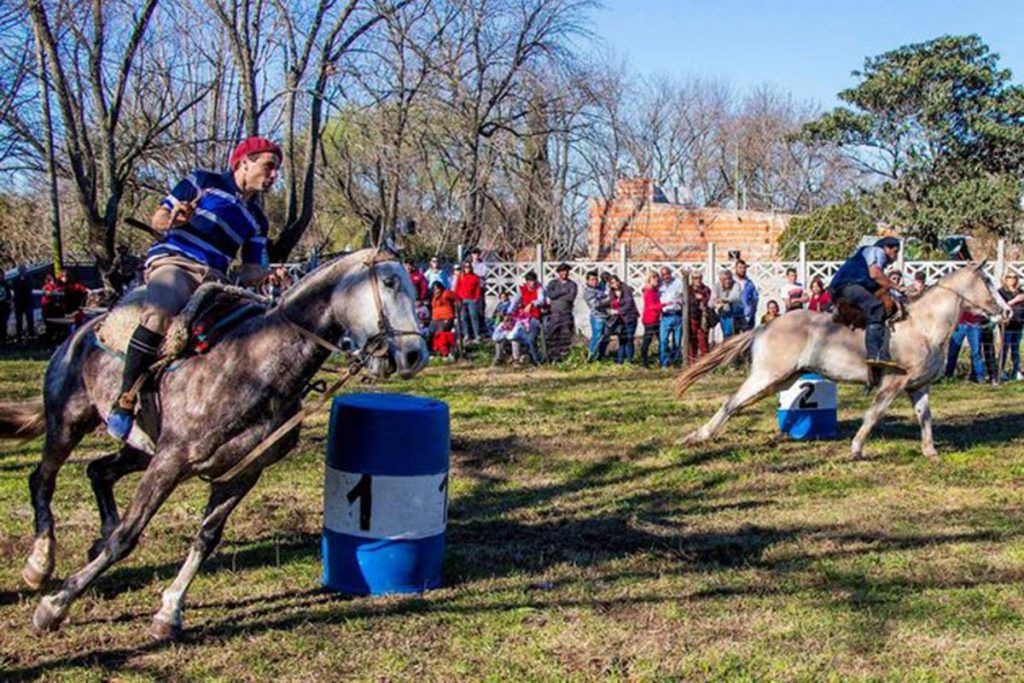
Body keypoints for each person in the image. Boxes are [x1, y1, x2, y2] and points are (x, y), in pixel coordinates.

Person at [106, 136, 281, 441]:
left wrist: (269, 273)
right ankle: (125, 400)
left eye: (277, 169)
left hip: (217, 281)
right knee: (159, 316)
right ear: (243, 162)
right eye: (269, 166)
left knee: (250, 332)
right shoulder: (203, 181)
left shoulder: (258, 220)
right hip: (176, 263)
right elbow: (158, 218)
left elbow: (249, 269)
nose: (274, 175)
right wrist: (175, 218)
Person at [828, 236, 902, 371]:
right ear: (886, 248)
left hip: (848, 286)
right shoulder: (876, 251)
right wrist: (897, 287)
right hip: (848, 286)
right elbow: (875, 274)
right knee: (876, 307)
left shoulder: (870, 257)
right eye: (895, 251)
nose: (896, 256)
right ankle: (875, 355)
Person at [545, 263, 577, 362]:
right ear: (559, 272)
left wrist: (558, 294)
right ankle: (553, 357)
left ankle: (564, 357)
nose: (565, 273)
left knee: (565, 336)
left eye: (567, 271)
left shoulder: (572, 284)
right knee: (553, 335)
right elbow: (551, 295)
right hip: (554, 314)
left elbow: (570, 298)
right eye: (562, 271)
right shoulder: (553, 283)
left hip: (566, 314)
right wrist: (563, 291)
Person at [945, 310, 987, 382]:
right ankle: (948, 375)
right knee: (953, 351)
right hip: (960, 323)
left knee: (976, 352)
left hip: (975, 324)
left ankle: (979, 376)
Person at [607, 274, 639, 364]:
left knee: (629, 339)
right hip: (620, 320)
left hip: (630, 318)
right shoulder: (612, 292)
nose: (615, 284)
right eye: (612, 283)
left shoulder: (626, 289)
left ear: (618, 281)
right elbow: (611, 304)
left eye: (616, 281)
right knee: (621, 340)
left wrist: (618, 311)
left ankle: (630, 361)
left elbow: (629, 303)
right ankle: (620, 361)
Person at [999, 273, 1024, 381]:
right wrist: (1015, 300)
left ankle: (1016, 371)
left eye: (1014, 277)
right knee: (1005, 348)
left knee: (1016, 349)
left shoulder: (1020, 292)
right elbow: (1001, 305)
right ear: (1005, 279)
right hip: (1007, 324)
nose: (1012, 279)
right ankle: (1001, 370)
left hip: (1019, 324)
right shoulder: (1001, 292)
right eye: (1009, 277)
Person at [658, 266, 684, 367]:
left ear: (670, 273)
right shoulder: (659, 285)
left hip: (677, 315)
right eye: (663, 275)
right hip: (665, 316)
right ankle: (664, 363)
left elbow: (684, 296)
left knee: (677, 342)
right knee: (663, 341)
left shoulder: (678, 283)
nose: (666, 276)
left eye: (667, 274)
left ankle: (676, 362)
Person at [583, 270, 611, 361]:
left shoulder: (600, 287)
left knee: (606, 337)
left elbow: (607, 285)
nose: (594, 281)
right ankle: (590, 357)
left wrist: (606, 278)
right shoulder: (588, 292)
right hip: (597, 317)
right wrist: (609, 300)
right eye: (592, 280)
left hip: (606, 316)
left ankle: (601, 356)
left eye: (596, 279)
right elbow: (596, 304)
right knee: (597, 336)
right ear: (587, 281)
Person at [452, 261, 483, 343]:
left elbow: (478, 289)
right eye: (465, 267)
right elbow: (457, 288)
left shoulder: (475, 277)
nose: (467, 268)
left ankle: (477, 335)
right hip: (462, 299)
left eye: (469, 267)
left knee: (474, 317)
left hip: (472, 299)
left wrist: (477, 298)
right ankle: (466, 335)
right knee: (463, 318)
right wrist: (457, 299)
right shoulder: (461, 276)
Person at [429, 281, 459, 360]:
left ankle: (445, 352)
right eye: (434, 289)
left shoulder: (446, 293)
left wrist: (458, 310)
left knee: (441, 333)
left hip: (446, 317)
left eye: (438, 288)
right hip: (435, 318)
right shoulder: (434, 296)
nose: (436, 290)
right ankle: (434, 351)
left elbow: (457, 298)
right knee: (431, 333)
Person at [688, 271, 712, 362]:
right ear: (692, 280)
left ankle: (704, 361)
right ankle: (691, 361)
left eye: (699, 278)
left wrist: (701, 299)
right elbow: (688, 301)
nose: (698, 280)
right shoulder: (688, 289)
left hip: (703, 317)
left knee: (703, 339)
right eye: (695, 278)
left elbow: (707, 299)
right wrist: (695, 298)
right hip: (692, 317)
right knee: (692, 339)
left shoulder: (706, 289)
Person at [640, 272, 661, 367]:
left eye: (657, 278)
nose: (656, 279)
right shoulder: (648, 291)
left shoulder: (656, 290)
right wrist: (666, 304)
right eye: (654, 278)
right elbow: (652, 306)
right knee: (647, 340)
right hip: (649, 319)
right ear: (649, 280)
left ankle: (661, 359)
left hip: (656, 318)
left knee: (662, 339)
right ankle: (644, 361)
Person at [713, 269, 741, 339]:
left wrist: (724, 300)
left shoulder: (736, 284)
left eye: (729, 279)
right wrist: (716, 304)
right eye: (725, 279)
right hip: (723, 313)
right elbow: (711, 301)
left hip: (736, 313)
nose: (727, 281)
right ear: (720, 280)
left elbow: (736, 296)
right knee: (727, 333)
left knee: (734, 334)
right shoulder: (716, 286)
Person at [733, 259, 759, 332]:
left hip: (747, 315)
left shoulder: (750, 283)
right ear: (736, 268)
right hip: (733, 315)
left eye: (744, 268)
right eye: (740, 268)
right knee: (733, 338)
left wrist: (752, 311)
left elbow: (755, 298)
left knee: (747, 338)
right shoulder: (731, 282)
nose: (742, 270)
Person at [469, 248, 489, 335]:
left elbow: (483, 274)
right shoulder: (468, 265)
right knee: (471, 310)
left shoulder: (482, 264)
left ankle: (482, 328)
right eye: (474, 254)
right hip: (470, 290)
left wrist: (474, 276)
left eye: (477, 254)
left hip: (480, 289)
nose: (476, 256)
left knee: (480, 309)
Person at [11, 265, 34, 342]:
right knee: (19, 320)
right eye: (21, 270)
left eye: (24, 270)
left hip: (28, 302)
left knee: (30, 319)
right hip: (19, 303)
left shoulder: (29, 279)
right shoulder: (15, 280)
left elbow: (30, 289)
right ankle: (19, 335)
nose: (23, 272)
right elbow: (15, 290)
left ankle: (31, 334)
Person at [0, 271, 11, 346]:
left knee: (3, 325)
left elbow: (9, 296)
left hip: (4, 308)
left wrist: (8, 303)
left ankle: (4, 340)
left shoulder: (6, 284)